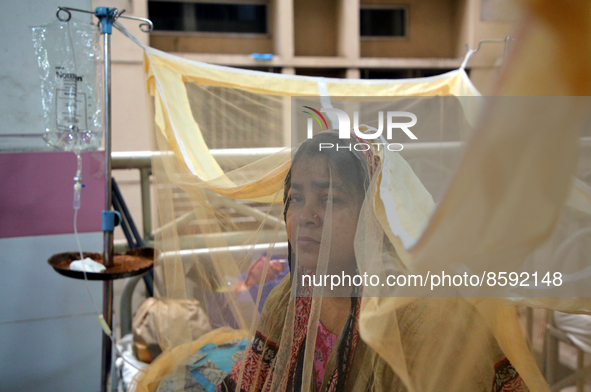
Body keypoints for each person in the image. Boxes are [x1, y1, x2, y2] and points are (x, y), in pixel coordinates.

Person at [218, 131, 530, 392]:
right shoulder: (293, 294)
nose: (304, 218)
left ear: (374, 215)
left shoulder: (430, 319)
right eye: (296, 199)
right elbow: (253, 380)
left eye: (329, 200)